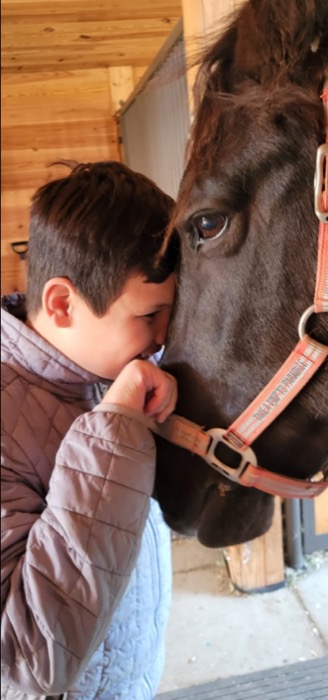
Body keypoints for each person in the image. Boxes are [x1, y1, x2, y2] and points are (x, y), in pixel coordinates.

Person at [1, 160, 180, 700]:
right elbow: (28, 656)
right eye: (150, 315)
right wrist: (117, 431)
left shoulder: (103, 372)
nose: (163, 337)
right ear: (61, 304)